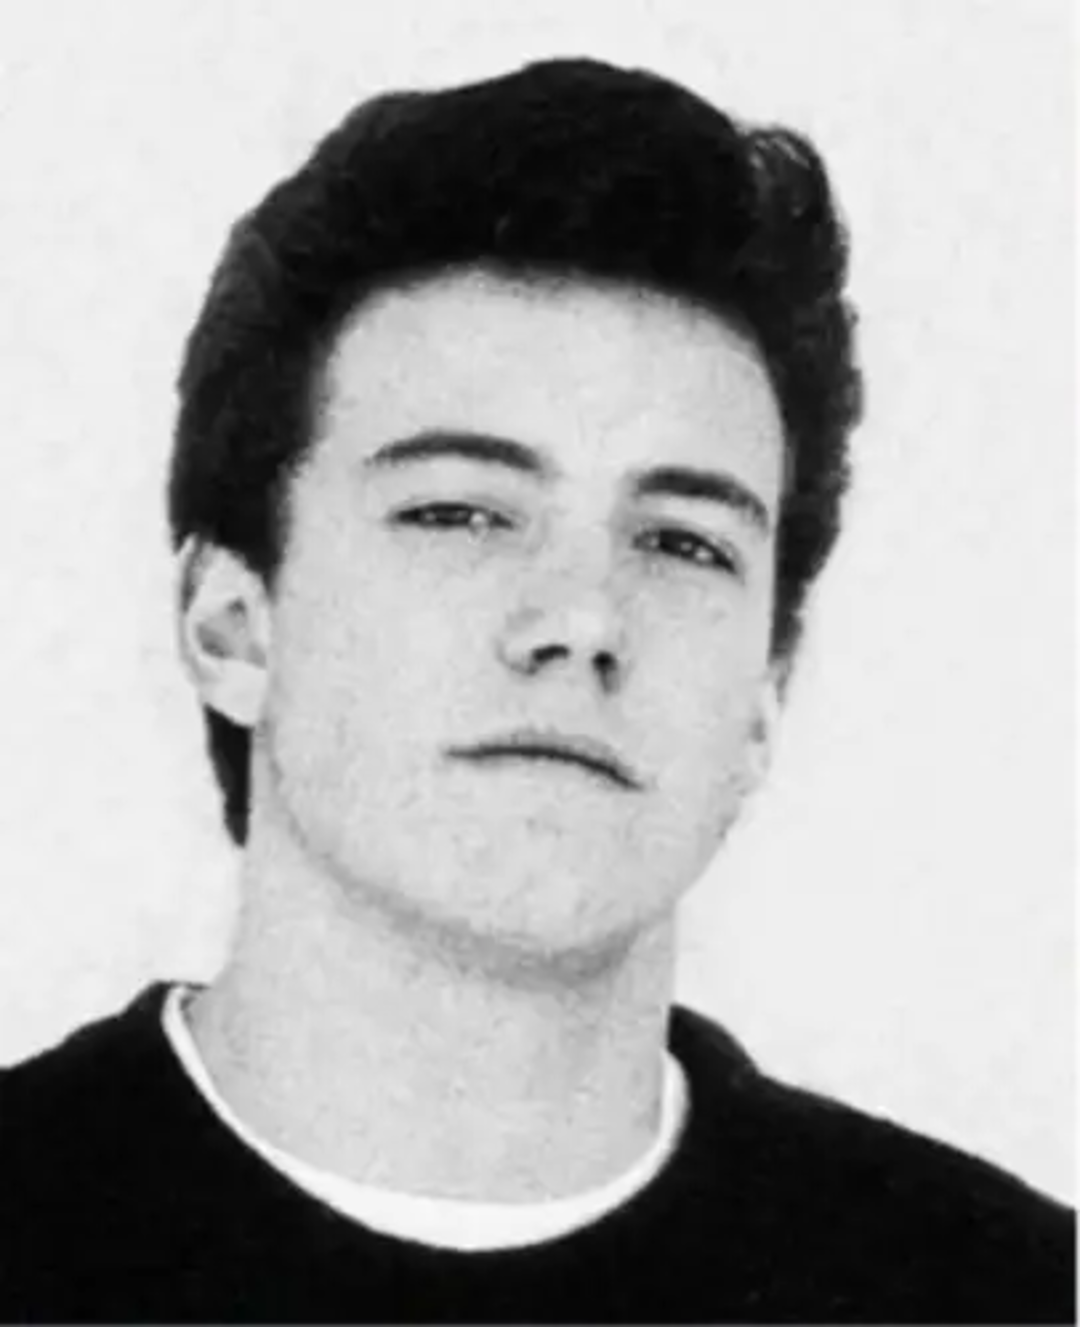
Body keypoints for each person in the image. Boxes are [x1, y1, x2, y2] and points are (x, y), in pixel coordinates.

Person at [0, 56, 1072, 1325]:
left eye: (684, 541)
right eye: (458, 511)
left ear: (764, 702)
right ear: (233, 627)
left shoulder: (1005, 1289)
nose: (580, 619)